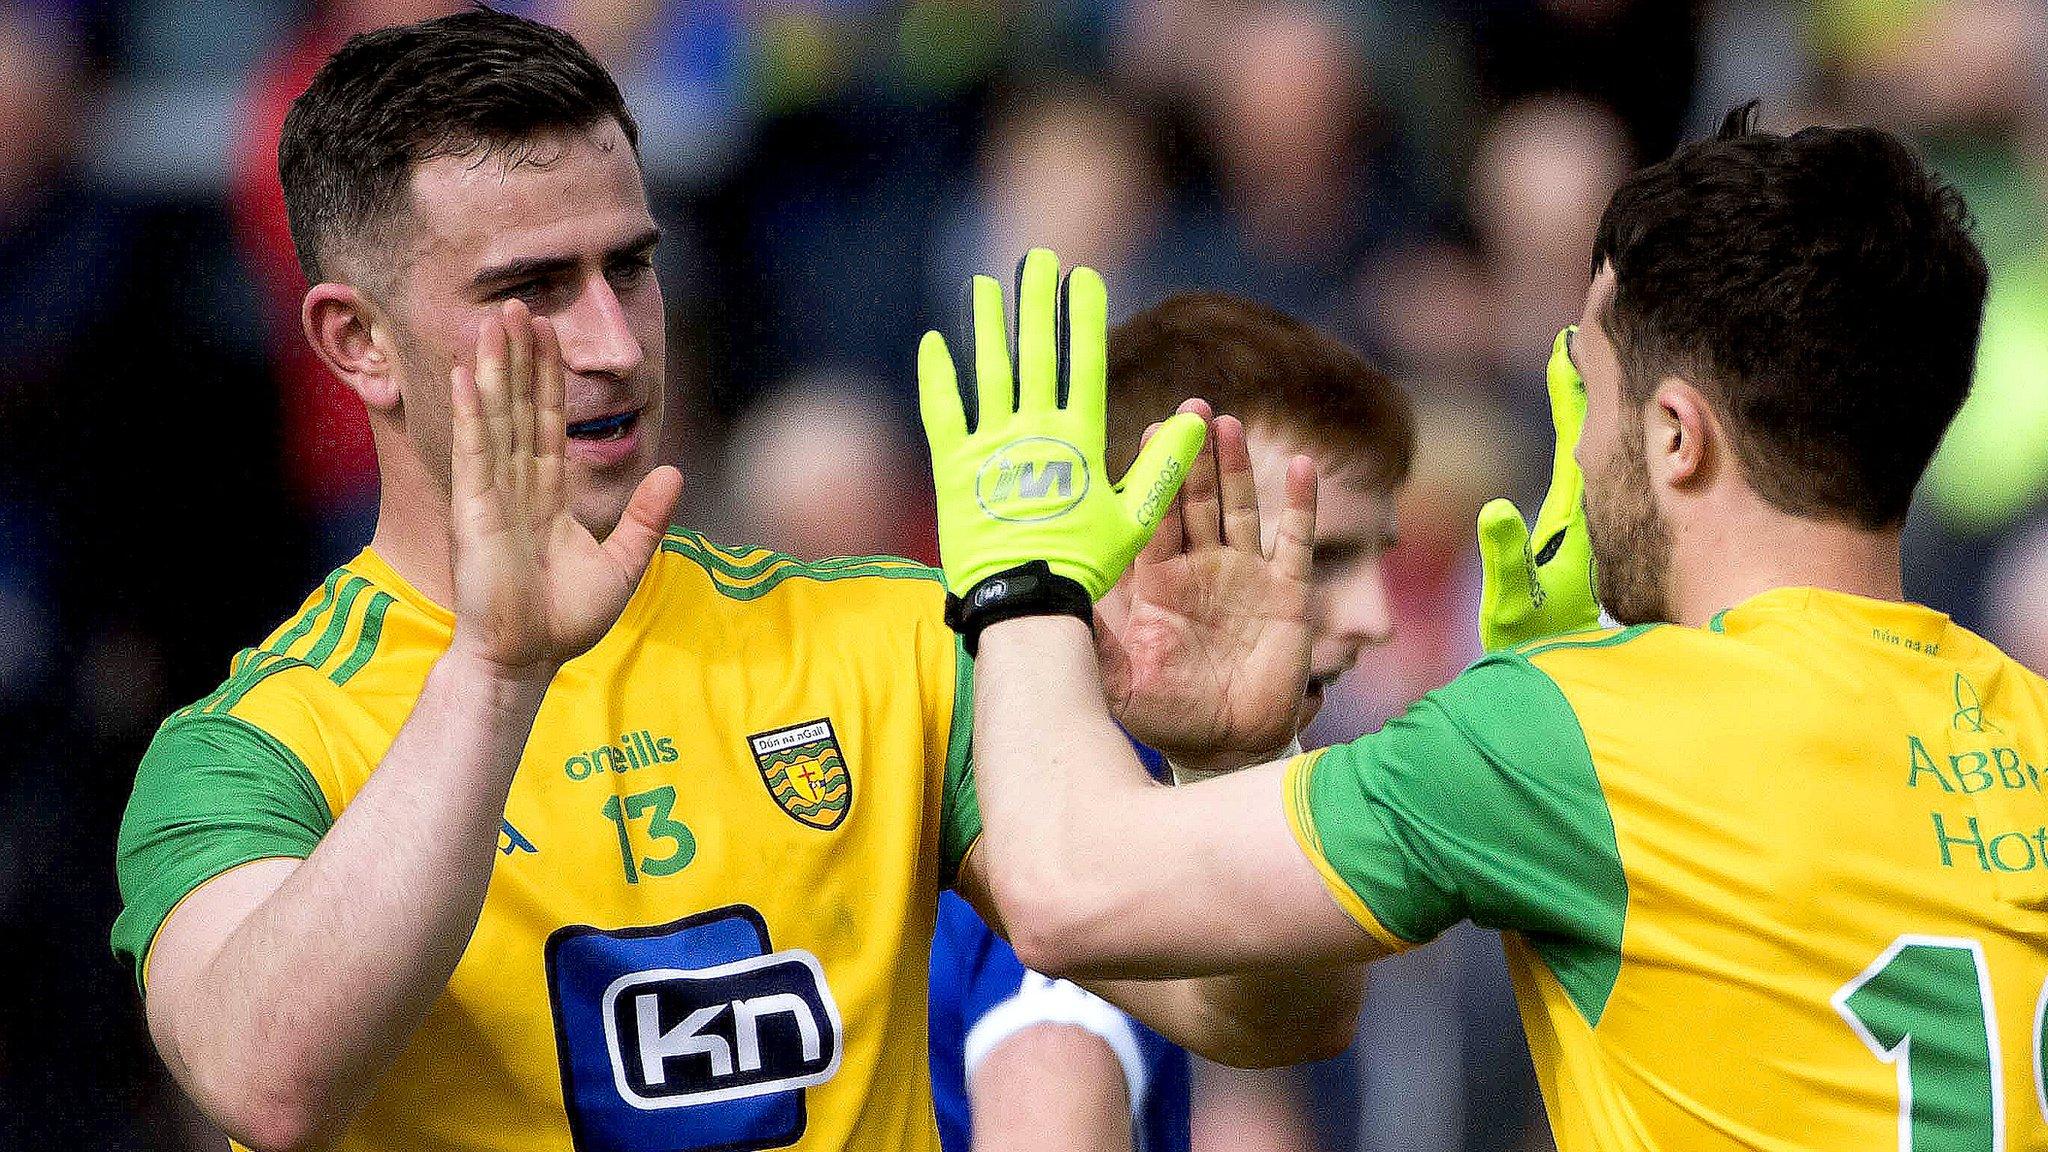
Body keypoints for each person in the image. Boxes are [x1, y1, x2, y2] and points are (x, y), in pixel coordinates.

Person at [109, 11, 1356, 1152]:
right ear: (355, 340)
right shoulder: (251, 750)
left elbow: (1255, 1016)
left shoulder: (888, 638)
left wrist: (1241, 773)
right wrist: (498, 671)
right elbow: (269, 1080)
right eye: (531, 289)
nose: (610, 344)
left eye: (630, 267)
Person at [917, 107, 2048, 1149]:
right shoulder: (2028, 723)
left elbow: (1063, 887)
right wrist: (1237, 753)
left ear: (1673, 437)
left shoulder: (1565, 736)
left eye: (1590, 392)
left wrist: (1025, 584)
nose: (1576, 444)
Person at [927, 291, 1414, 1152]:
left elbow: (1300, 1027)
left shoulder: (1117, 804)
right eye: (1320, 553)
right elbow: (1049, 1105)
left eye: (1381, 553)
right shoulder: (1066, 849)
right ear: (1138, 537)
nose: (1375, 614)